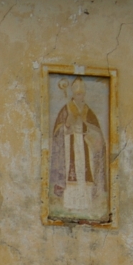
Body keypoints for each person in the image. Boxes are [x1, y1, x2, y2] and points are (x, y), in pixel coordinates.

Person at [50, 76, 107, 215]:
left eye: (82, 93)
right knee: (71, 176)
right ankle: (70, 204)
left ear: (84, 94)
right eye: (77, 94)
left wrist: (87, 129)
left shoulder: (88, 111)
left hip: (86, 147)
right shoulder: (66, 110)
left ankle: (86, 204)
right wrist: (67, 126)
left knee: (85, 174)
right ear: (73, 94)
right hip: (70, 148)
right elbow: (57, 133)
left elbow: (97, 133)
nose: (80, 96)